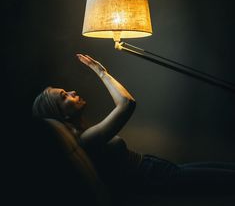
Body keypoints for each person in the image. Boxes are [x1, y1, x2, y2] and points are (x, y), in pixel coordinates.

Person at [32, 54, 235, 195]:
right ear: (61, 114)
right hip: (157, 178)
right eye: (64, 96)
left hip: (158, 170)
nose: (72, 92)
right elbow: (127, 103)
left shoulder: (86, 135)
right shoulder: (87, 140)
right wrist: (101, 71)